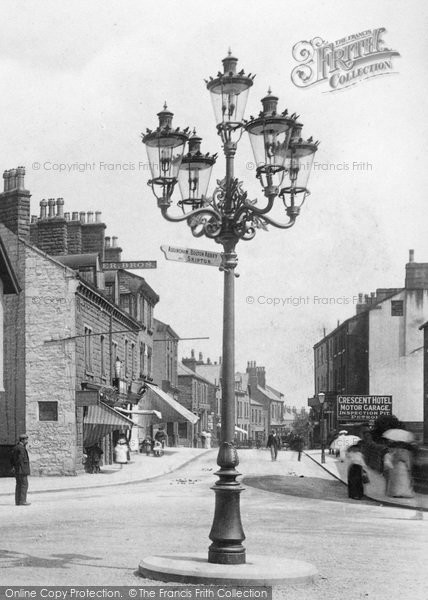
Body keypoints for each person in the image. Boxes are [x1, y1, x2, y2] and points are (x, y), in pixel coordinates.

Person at [11, 434, 31, 506]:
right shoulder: (21, 448)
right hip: (21, 470)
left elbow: (12, 459)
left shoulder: (15, 447)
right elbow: (20, 459)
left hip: (17, 470)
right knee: (24, 485)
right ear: (22, 440)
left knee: (18, 485)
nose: (27, 441)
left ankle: (18, 501)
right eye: (26, 439)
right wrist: (22, 469)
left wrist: (14, 467)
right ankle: (23, 501)